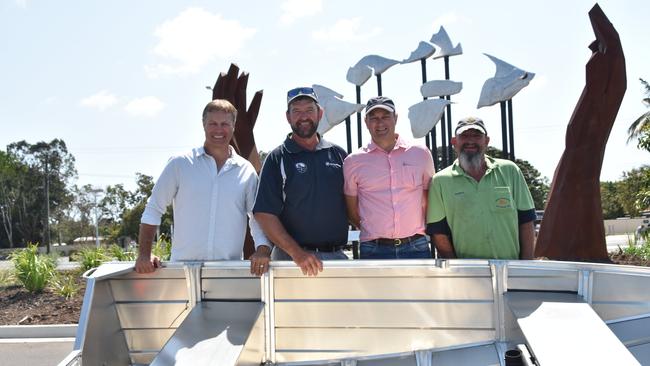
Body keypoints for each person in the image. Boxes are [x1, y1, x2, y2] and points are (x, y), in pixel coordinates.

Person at [135, 99, 271, 275]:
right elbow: (154, 208)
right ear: (203, 125)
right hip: (182, 272)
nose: (218, 130)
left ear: (233, 126)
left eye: (225, 124)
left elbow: (257, 218)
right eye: (212, 123)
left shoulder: (246, 171)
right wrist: (144, 255)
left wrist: (262, 249)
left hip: (228, 273)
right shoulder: (180, 164)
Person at [253, 87, 349, 276]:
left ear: (320, 113)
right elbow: (264, 214)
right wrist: (297, 253)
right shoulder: (277, 158)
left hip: (336, 257)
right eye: (296, 111)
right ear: (288, 117)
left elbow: (355, 205)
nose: (303, 116)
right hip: (292, 261)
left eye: (309, 110)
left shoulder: (339, 155)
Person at [426, 117, 536, 259]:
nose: (470, 141)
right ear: (454, 142)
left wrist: (525, 266)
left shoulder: (510, 170)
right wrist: (457, 271)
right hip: (467, 272)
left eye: (477, 136)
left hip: (510, 268)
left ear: (486, 141)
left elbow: (526, 220)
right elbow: (438, 231)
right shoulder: (440, 181)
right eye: (464, 136)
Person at [343, 96, 434, 259]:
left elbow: (429, 198)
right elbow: (351, 209)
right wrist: (374, 230)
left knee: (420, 287)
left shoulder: (421, 154)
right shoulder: (352, 161)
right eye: (374, 118)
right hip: (373, 249)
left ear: (396, 118)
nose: (380, 123)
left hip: (416, 246)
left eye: (385, 117)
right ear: (366, 121)